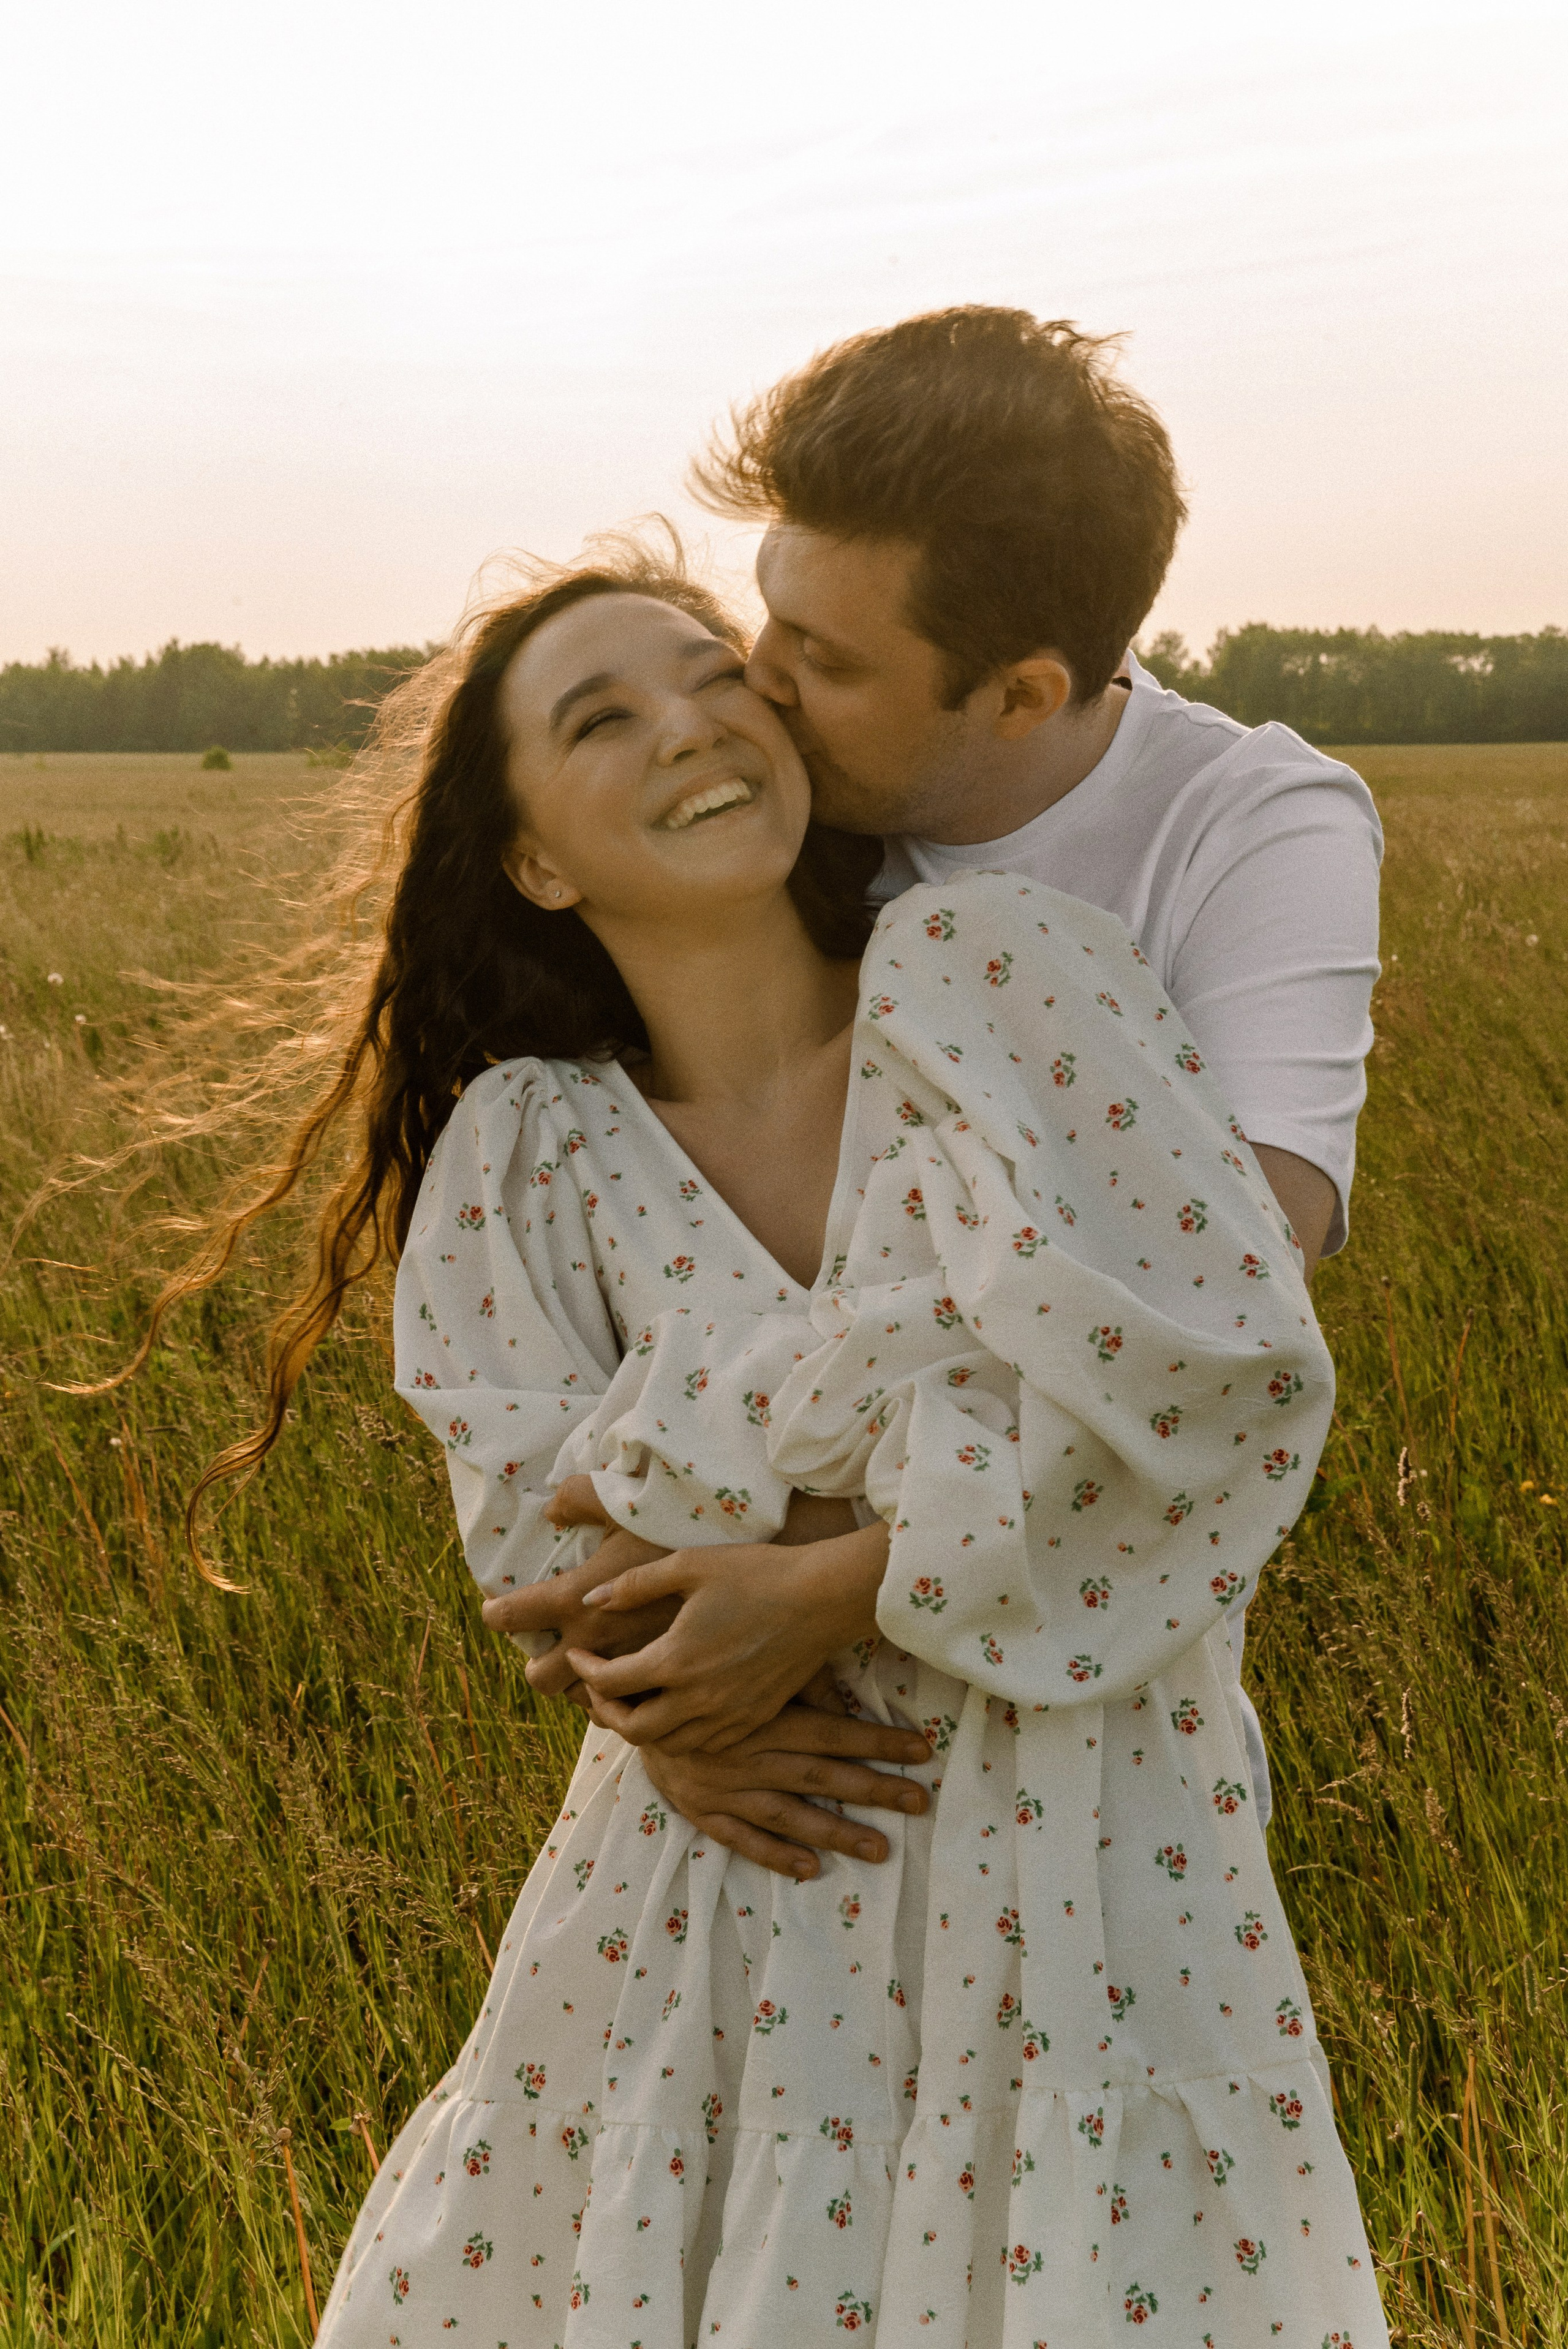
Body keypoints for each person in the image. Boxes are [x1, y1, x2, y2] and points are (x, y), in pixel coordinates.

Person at [310, 556, 1388, 2345]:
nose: (696, 722)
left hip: (1099, 1862)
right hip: (732, 1887)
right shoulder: (532, 1154)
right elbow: (549, 1564)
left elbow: (1218, 1384)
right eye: (603, 719)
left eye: (709, 672)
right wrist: (956, 1436)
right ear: (536, 861)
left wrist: (814, 1571)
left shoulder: (1004, 978)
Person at [499, 307, 1383, 1882]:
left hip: (1095, 1734)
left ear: (1021, 694)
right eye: (763, 616)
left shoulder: (1246, 828)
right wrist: (671, 1709)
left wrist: (835, 1589)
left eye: (821, 661)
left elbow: (1241, 1276)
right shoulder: (767, 810)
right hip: (756, 1808)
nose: (752, 684)